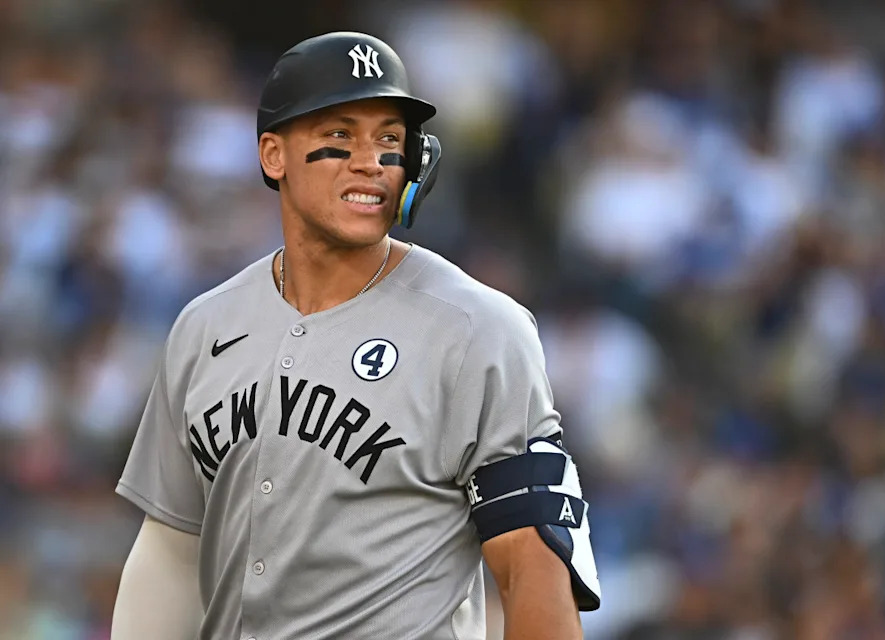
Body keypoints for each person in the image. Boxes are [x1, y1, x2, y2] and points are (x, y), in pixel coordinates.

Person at [110, 31, 600, 640]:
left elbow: (535, 565)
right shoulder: (204, 326)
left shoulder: (480, 329)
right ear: (273, 155)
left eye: (390, 140)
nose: (371, 160)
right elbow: (173, 547)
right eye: (339, 137)